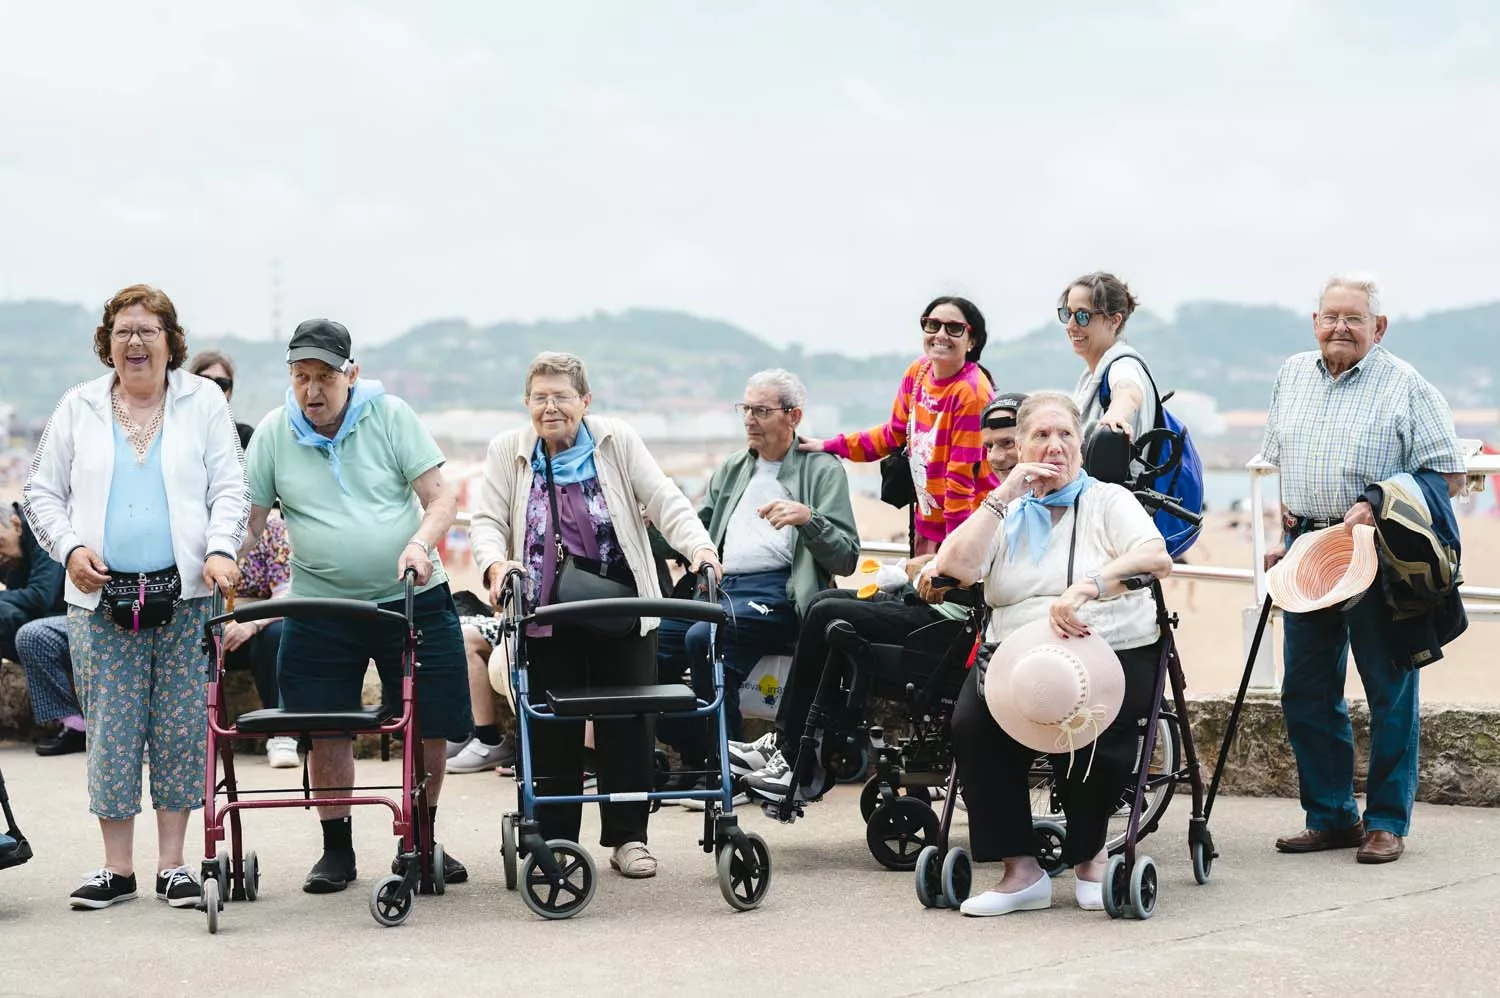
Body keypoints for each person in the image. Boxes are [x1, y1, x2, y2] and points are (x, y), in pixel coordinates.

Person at [23, 283, 248, 910]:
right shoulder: (79, 405)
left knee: (178, 729)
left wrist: (222, 548)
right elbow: (41, 492)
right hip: (100, 599)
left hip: (188, 597)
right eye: (123, 331)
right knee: (114, 731)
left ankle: (172, 866)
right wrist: (70, 550)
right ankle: (116, 870)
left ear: (171, 342)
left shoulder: (202, 401)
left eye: (148, 330)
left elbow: (230, 485)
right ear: (107, 342)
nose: (135, 342)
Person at [242, 318, 472, 893]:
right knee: (325, 730)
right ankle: (336, 851)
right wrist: (222, 557)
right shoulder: (274, 432)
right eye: (301, 377)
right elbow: (249, 523)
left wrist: (420, 543)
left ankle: (419, 840)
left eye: (324, 376)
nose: (312, 390)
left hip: (411, 596)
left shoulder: (390, 416)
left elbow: (439, 497)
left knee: (429, 727)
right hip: (320, 606)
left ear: (352, 373)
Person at [468, 351, 718, 879]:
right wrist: (495, 564)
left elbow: (664, 500)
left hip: (621, 610)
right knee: (553, 730)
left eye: (562, 396)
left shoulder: (615, 440)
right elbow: (487, 520)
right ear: (526, 402)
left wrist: (700, 550)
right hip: (545, 615)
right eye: (540, 397)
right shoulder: (508, 451)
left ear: (586, 400)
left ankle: (628, 838)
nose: (551, 406)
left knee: (628, 725)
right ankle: (557, 842)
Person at [925, 391, 1174, 916]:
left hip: (1106, 647)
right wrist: (1004, 494)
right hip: (1018, 652)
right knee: (972, 725)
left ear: (1081, 443)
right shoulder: (1007, 510)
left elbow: (1154, 556)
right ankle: (1022, 872)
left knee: (1087, 729)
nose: (1055, 446)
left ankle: (1090, 858)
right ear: (1018, 446)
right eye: (1041, 435)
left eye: (1066, 434)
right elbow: (956, 569)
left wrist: (1090, 586)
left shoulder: (1108, 500)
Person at [1261, 275, 1465, 865]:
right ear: (1315, 321)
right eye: (1331, 317)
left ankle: (1385, 822)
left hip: (1377, 553)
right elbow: (1284, 465)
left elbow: (1446, 476)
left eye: (1354, 318)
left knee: (1389, 688)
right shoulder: (1291, 375)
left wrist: (1378, 500)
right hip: (1308, 549)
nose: (1340, 328)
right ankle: (1330, 816)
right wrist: (1284, 537)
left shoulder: (1408, 387)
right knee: (1306, 688)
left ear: (1379, 327)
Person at [739, 392, 1029, 804]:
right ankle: (797, 747)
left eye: (1007, 443)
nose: (998, 456)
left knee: (828, 615)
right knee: (825, 605)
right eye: (990, 446)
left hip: (956, 625)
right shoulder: (1000, 496)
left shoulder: (1018, 502)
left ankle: (796, 755)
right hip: (939, 608)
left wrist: (935, 570)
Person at [656, 368, 860, 784]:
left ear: (793, 416)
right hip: (717, 586)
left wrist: (808, 519)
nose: (749, 418)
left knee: (703, 637)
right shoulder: (734, 467)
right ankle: (702, 753)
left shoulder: (821, 469)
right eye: (745, 408)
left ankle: (722, 772)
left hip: (777, 590)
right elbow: (696, 530)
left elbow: (846, 557)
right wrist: (648, 527)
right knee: (649, 645)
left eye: (761, 410)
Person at [801, 296, 997, 555]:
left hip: (965, 528)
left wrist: (953, 551)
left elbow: (961, 479)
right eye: (932, 325)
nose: (941, 334)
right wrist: (830, 445)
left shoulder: (971, 392)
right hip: (928, 525)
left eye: (954, 328)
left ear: (971, 341)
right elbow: (893, 434)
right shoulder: (919, 371)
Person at [1063, 272, 1158, 484]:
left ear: (1114, 321)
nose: (1070, 325)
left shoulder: (1122, 365)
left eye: (1082, 315)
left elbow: (1128, 390)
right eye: (1067, 313)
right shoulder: (1093, 374)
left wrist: (1115, 415)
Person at [223, 510, 296, 768]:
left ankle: (282, 733)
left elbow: (287, 593)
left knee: (278, 635)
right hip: (208, 621)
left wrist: (252, 623)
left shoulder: (272, 526)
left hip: (258, 621)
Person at [1, 501, 69, 748]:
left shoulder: (42, 529)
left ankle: (73, 723)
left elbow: (42, 595)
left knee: (23, 629)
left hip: (68, 621)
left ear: (16, 524)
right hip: (45, 622)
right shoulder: (11, 552)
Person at [444, 614, 517, 775]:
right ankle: (462, 734)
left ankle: (488, 738)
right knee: (448, 632)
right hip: (505, 617)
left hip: (518, 622)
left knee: (462, 637)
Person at [17, 616, 81, 756]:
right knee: (31, 635)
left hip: (132, 615)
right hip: (82, 614)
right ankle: (75, 726)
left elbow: (43, 595)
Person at [188, 349, 255, 451]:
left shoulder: (245, 438)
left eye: (221, 384)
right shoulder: (173, 432)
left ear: (229, 392)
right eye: (205, 381)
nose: (213, 390)